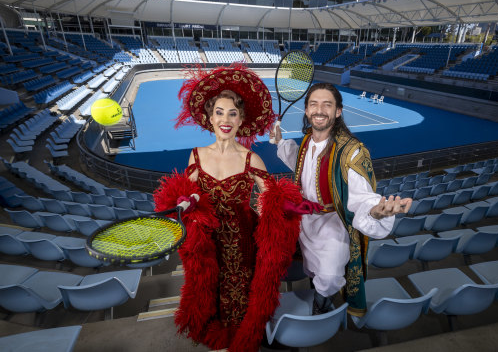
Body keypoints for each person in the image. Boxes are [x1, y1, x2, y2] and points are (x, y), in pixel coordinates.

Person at [153, 64, 320, 352]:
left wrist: (293, 204)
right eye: (219, 112)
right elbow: (186, 194)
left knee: (241, 293)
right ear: (209, 117)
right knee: (209, 289)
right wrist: (184, 201)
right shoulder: (196, 155)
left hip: (243, 243)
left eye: (232, 113)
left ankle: (242, 340)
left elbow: (273, 198)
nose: (225, 119)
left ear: (241, 119)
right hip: (208, 243)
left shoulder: (251, 159)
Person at [271, 82, 413, 317]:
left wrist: (377, 211)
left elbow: (363, 196)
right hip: (304, 222)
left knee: (328, 276)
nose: (319, 110)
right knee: (308, 267)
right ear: (306, 110)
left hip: (332, 226)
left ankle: (321, 308)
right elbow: (299, 162)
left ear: (338, 111)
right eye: (314, 104)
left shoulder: (352, 151)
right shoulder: (307, 141)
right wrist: (279, 141)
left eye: (327, 105)